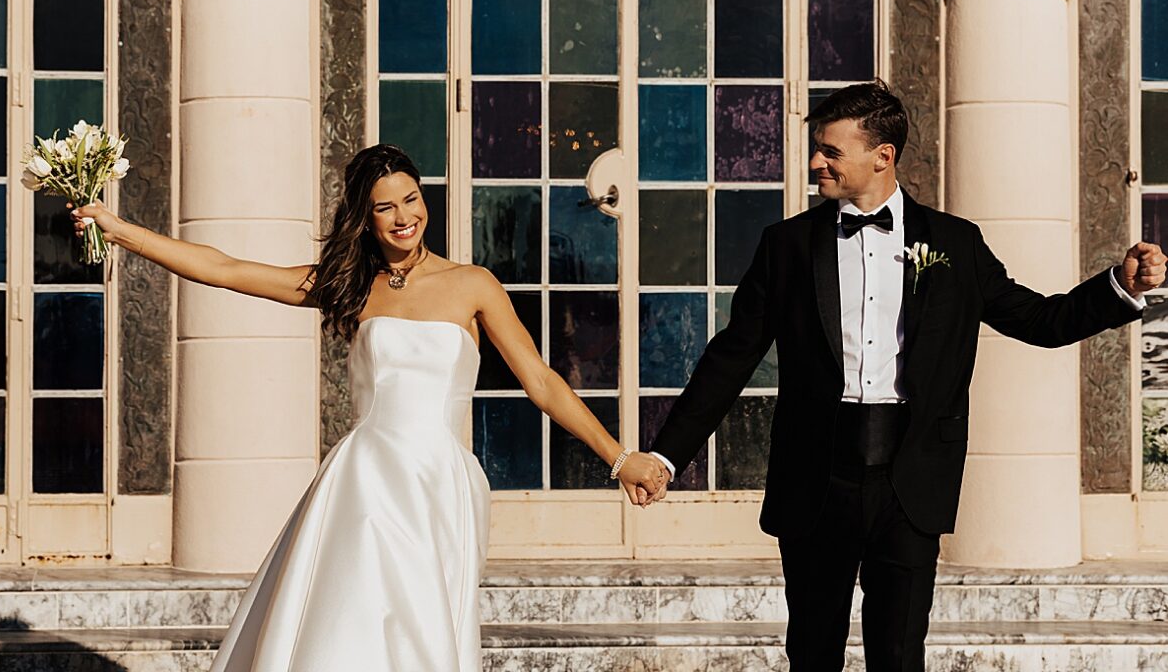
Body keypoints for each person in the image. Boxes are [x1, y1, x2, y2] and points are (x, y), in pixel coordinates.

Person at [614, 80, 1166, 672]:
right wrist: (668, 455)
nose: (816, 162)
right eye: (817, 148)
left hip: (911, 480)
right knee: (812, 652)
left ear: (883, 156)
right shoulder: (787, 246)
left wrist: (1121, 287)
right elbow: (732, 356)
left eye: (830, 150)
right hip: (816, 478)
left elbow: (1040, 319)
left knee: (900, 655)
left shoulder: (955, 242)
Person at [76, 142, 643, 672]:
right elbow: (226, 271)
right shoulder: (351, 284)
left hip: (438, 484)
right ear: (365, 217)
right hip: (363, 480)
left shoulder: (473, 284)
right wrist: (119, 230)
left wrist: (619, 460)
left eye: (411, 199)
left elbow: (541, 382)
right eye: (384, 207)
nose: (403, 217)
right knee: (348, 629)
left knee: (424, 634)